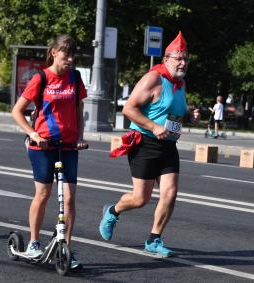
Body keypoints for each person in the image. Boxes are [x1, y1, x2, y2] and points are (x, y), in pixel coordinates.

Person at [99, 31, 200, 257]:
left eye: (186, 59)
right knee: (140, 199)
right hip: (144, 142)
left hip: (168, 145)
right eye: (178, 58)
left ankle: (154, 239)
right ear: (166, 59)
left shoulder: (180, 83)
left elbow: (175, 111)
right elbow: (129, 108)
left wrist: (191, 113)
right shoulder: (153, 78)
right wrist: (154, 127)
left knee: (170, 193)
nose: (183, 63)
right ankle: (113, 211)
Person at [11, 34, 87, 269]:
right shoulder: (41, 78)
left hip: (68, 146)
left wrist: (80, 137)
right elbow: (17, 111)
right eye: (66, 55)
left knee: (70, 199)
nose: (70, 60)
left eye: (73, 55)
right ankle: (34, 242)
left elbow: (79, 108)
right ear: (54, 52)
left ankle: (64, 248)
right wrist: (33, 134)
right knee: (43, 194)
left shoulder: (75, 77)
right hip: (43, 146)